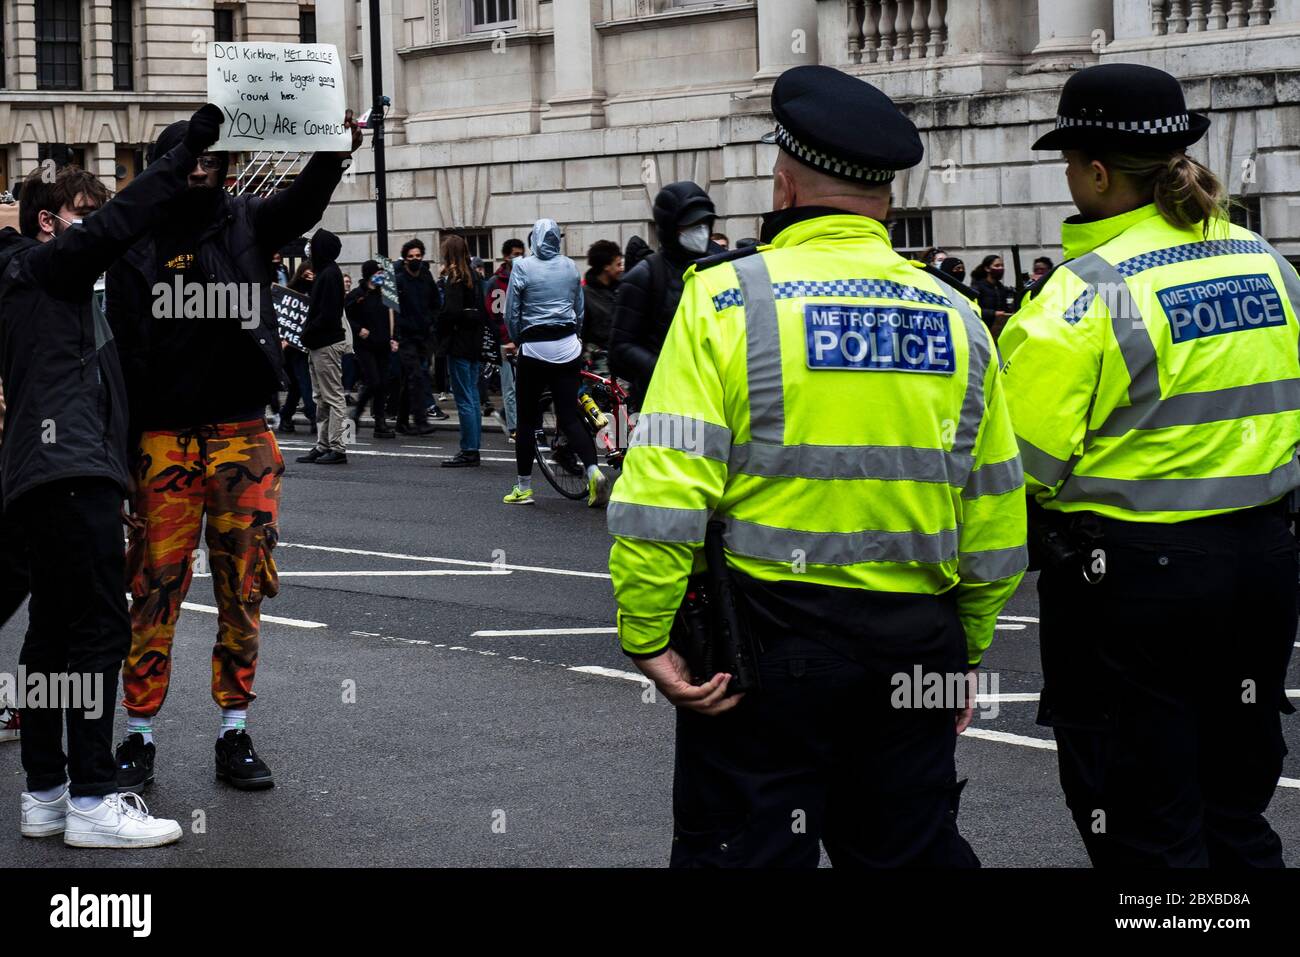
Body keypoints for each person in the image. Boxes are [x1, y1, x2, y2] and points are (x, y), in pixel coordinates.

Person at [608, 65, 1027, 868]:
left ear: (784, 181)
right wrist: (965, 648)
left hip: (766, 650)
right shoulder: (960, 315)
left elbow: (665, 490)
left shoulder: (724, 299)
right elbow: (997, 509)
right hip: (917, 645)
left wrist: (647, 630)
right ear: (887, 199)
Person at [1000, 63, 1300, 868]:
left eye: (1069, 163)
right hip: (1263, 568)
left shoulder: (1080, 296)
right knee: (1236, 814)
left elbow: (1016, 471)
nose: (1067, 178)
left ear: (1098, 172)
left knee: (1142, 826)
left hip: (1134, 588)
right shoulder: (1267, 263)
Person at [105, 107, 363, 794]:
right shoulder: (133, 245)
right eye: (187, 161)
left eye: (211, 162)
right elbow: (125, 359)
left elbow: (303, 202)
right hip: (161, 439)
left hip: (240, 433)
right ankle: (139, 736)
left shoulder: (246, 222)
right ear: (165, 167)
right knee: (153, 587)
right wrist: (121, 460)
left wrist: (334, 152)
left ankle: (235, 730)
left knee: (242, 587)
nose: (200, 171)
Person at [1, 104, 228, 847]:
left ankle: (46, 791)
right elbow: (118, 223)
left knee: (50, 636)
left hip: (52, 474)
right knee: (100, 630)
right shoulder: (48, 267)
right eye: (78, 213)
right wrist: (184, 151)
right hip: (65, 470)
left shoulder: (38, 287)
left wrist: (119, 480)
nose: (93, 225)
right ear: (45, 223)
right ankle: (96, 797)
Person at [503, 219, 607, 507]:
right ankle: (593, 470)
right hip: (567, 346)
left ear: (535, 239)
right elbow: (579, 310)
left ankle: (523, 488)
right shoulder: (570, 267)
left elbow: (511, 311)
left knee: (526, 420)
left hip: (535, 347)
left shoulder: (522, 266)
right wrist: (575, 338)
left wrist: (516, 338)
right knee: (570, 416)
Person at [609, 181, 720, 408]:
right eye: (690, 226)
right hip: (661, 403)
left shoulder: (718, 266)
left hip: (713, 398)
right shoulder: (645, 276)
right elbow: (620, 350)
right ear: (670, 228)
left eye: (704, 224)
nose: (700, 232)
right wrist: (668, 368)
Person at [297, 228, 349, 465]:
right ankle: (323, 444)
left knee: (333, 397)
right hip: (319, 344)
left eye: (313, 244)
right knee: (321, 398)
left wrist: (308, 332)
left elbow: (327, 314)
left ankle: (338, 447)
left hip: (326, 344)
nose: (309, 249)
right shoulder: (325, 273)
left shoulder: (329, 275)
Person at [436, 235, 488, 468]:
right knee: (474, 397)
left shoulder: (454, 277)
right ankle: (474, 447)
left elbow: (450, 313)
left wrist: (440, 324)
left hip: (458, 343)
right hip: (474, 342)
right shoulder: (476, 277)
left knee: (464, 398)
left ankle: (468, 449)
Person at [392, 238, 442, 434]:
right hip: (405, 338)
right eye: (411, 256)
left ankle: (402, 421)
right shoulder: (399, 280)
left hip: (424, 336)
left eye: (418, 256)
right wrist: (395, 335)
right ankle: (420, 420)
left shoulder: (426, 277)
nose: (415, 259)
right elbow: (392, 310)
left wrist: (431, 322)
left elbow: (435, 302)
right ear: (405, 259)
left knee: (410, 379)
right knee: (417, 376)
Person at [346, 260, 397, 439]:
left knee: (382, 384)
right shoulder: (357, 294)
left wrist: (393, 338)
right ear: (369, 274)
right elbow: (345, 317)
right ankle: (356, 413)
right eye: (378, 273)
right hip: (365, 346)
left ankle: (380, 423)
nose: (381, 276)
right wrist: (359, 329)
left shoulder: (385, 293)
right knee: (373, 381)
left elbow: (392, 316)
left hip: (383, 344)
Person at [485, 238, 526, 442]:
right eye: (514, 254)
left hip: (522, 341)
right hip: (505, 341)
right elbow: (492, 315)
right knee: (510, 387)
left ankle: (510, 419)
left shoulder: (525, 277)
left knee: (522, 387)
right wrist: (502, 338)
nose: (517, 258)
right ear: (506, 256)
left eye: (520, 254)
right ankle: (513, 428)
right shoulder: (495, 282)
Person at [277, 262, 318, 434]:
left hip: (306, 346)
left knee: (296, 386)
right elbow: (280, 316)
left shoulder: (316, 293)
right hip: (290, 347)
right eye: (307, 275)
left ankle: (285, 416)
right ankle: (313, 415)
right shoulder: (288, 293)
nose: (310, 278)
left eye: (312, 275)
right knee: (303, 382)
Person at [581, 239, 623, 372]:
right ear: (606, 266)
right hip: (598, 363)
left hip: (622, 359)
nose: (621, 269)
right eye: (618, 264)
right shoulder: (585, 294)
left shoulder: (623, 289)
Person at [970, 254, 1016, 338]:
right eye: (997, 266)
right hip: (983, 330)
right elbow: (972, 309)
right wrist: (993, 313)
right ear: (987, 268)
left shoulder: (1000, 287)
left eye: (1002, 266)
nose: (1001, 268)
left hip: (998, 331)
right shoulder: (978, 287)